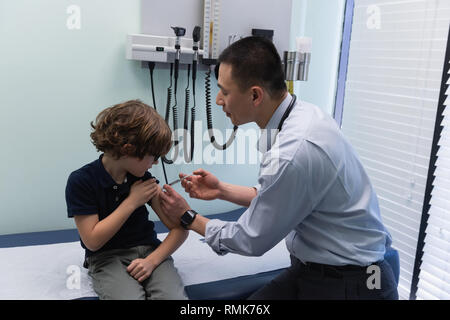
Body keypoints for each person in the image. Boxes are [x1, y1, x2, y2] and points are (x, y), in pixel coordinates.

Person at [159, 36, 399, 300]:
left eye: (225, 91)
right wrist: (221, 190)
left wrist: (188, 217)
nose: (218, 100)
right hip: (314, 270)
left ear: (255, 95)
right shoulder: (302, 114)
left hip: (354, 284)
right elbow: (280, 196)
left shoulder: (293, 152)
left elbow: (250, 239)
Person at [65, 100, 188, 300]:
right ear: (128, 150)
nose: (156, 162)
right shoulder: (81, 181)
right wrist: (132, 202)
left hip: (149, 251)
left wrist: (152, 260)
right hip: (106, 257)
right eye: (153, 156)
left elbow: (179, 229)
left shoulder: (143, 180)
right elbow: (93, 241)